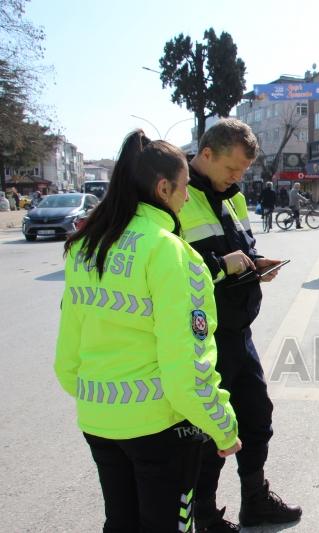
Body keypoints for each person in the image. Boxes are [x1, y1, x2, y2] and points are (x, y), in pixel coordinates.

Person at [54, 131, 241, 531]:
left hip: (98, 419)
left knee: (120, 522)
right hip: (159, 427)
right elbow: (187, 367)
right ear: (163, 187)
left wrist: (102, 399)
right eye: (185, 186)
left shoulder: (87, 246)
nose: (187, 197)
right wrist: (224, 427)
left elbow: (67, 355)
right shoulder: (169, 253)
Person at [177, 119, 301, 531]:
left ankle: (255, 500)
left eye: (243, 172)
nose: (236, 177)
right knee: (211, 430)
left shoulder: (234, 197)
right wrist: (221, 267)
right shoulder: (176, 197)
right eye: (232, 168)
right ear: (206, 154)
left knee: (255, 416)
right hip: (202, 338)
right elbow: (175, 272)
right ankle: (207, 516)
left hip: (238, 332)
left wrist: (258, 264)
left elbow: (243, 249)